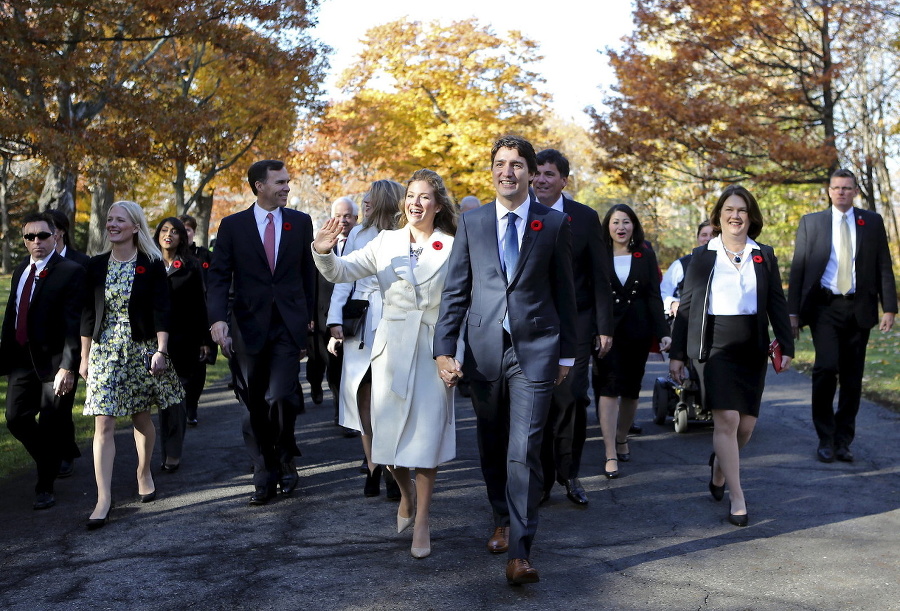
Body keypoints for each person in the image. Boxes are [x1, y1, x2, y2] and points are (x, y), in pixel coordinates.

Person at [434, 135, 577, 585]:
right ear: (492, 170)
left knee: (524, 450)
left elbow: (565, 295)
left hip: (535, 351)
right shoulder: (472, 222)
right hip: (484, 350)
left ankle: (520, 550)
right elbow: (456, 291)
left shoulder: (552, 224)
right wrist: (444, 348)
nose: (507, 171)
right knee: (493, 442)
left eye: (517, 164)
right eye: (500, 163)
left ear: (532, 173)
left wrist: (567, 354)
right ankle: (500, 514)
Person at [313, 169, 459, 559]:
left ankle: (424, 520)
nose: (415, 202)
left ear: (438, 204)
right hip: (390, 348)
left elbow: (461, 303)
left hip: (432, 351)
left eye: (425, 197)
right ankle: (406, 493)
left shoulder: (452, 245)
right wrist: (324, 251)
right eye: (410, 195)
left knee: (426, 441)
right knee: (386, 444)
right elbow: (342, 272)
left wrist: (455, 352)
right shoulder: (385, 241)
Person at [670, 185, 793, 526]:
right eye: (729, 210)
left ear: (751, 217)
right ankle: (738, 497)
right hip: (715, 347)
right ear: (719, 217)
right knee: (727, 420)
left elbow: (777, 304)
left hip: (752, 348)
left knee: (747, 427)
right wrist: (678, 354)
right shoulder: (703, 255)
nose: (735, 216)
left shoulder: (763, 254)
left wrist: (787, 345)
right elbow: (688, 307)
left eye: (742, 210)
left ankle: (720, 466)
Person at [207, 159, 316, 505]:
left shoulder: (300, 223)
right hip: (247, 326)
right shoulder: (233, 226)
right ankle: (263, 472)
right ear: (259, 186)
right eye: (280, 182)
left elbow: (308, 274)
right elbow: (219, 277)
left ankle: (284, 454)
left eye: (288, 182)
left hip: (287, 325)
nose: (286, 187)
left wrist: (309, 320)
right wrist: (217, 320)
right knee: (252, 404)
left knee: (281, 397)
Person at [80, 201, 184, 529]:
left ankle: (143, 471)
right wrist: (83, 357)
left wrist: (162, 350)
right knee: (104, 423)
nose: (112, 224)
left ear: (135, 227)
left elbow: (162, 309)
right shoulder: (95, 266)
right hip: (104, 351)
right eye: (109, 219)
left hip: (141, 348)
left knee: (141, 415)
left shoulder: (150, 264)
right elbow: (86, 314)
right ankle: (103, 498)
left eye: (119, 220)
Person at [788, 169, 897, 463]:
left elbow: (883, 265)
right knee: (825, 368)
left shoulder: (871, 222)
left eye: (847, 188)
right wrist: (793, 312)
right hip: (825, 308)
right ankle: (825, 437)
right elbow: (798, 268)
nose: (841, 193)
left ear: (855, 192)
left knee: (852, 378)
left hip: (859, 308)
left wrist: (889, 308)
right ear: (829, 191)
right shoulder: (813, 223)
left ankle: (843, 439)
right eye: (836, 188)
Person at [532, 148, 613, 507]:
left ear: (564, 180)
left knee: (572, 397)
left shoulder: (584, 217)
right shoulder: (520, 213)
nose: (541, 180)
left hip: (577, 323)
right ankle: (542, 479)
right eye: (536, 173)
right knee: (538, 400)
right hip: (533, 322)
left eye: (549, 174)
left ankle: (570, 473)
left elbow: (599, 276)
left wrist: (604, 326)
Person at [0, 212, 85, 510]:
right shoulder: (22, 269)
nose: (37, 241)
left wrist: (68, 366)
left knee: (50, 424)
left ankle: (44, 486)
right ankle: (51, 457)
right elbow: (12, 314)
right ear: (24, 241)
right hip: (22, 360)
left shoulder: (70, 271)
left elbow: (74, 324)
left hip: (54, 364)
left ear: (56, 237)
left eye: (43, 236)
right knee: (15, 418)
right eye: (30, 237)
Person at [326, 181, 403, 497]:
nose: (364, 207)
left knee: (391, 398)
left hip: (396, 322)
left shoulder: (406, 234)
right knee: (363, 397)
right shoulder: (357, 235)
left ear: (384, 203)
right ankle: (372, 465)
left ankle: (392, 467)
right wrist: (334, 321)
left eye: (369, 203)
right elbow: (344, 279)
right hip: (361, 325)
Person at [593, 204, 670, 478]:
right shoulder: (598, 253)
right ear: (607, 227)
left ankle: (622, 436)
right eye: (615, 222)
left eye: (626, 222)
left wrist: (663, 332)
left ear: (634, 226)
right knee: (608, 387)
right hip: (605, 331)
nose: (621, 227)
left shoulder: (645, 255)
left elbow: (653, 296)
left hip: (638, 331)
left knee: (631, 389)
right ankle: (610, 452)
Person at [154, 217, 211, 472]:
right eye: (164, 230)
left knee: (176, 398)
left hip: (183, 340)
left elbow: (200, 304)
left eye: (174, 232)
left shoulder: (191, 266)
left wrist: (203, 340)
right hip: (151, 342)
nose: (169, 235)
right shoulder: (147, 263)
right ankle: (156, 450)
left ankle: (172, 452)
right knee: (157, 399)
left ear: (182, 237)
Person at [45, 208, 89, 475]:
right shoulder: (35, 262)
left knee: (60, 403)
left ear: (59, 231)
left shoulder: (80, 262)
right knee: (48, 406)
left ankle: (63, 454)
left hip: (69, 342)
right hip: (41, 345)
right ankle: (66, 446)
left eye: (47, 229)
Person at [307, 196, 358, 418]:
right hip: (322, 313)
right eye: (338, 216)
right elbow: (311, 281)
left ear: (356, 218)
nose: (343, 220)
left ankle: (343, 411)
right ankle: (322, 390)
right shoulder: (320, 245)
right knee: (325, 362)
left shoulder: (363, 242)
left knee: (345, 365)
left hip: (353, 315)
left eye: (347, 216)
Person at [177, 213, 214, 426]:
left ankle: (192, 404)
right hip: (180, 321)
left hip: (203, 316)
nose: (185, 233)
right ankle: (180, 406)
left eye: (188, 230)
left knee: (199, 366)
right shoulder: (169, 257)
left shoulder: (204, 256)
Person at [660, 220, 714, 318]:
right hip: (686, 320)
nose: (708, 239)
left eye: (713, 235)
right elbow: (663, 291)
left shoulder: (727, 264)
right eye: (704, 235)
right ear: (698, 238)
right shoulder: (681, 265)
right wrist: (673, 303)